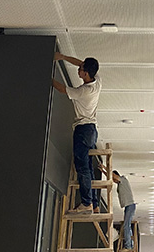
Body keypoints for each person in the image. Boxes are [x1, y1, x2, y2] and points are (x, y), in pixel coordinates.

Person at [52, 52, 101, 214]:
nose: (78, 70)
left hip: (83, 130)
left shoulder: (83, 91)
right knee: (88, 167)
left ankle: (87, 203)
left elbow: (62, 89)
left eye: (80, 69)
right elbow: (81, 63)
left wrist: (46, 76)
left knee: (83, 168)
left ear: (86, 74)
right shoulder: (96, 80)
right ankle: (93, 203)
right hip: (91, 130)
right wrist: (63, 57)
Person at [112, 170, 136, 251]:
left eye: (113, 179)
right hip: (128, 206)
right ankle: (130, 244)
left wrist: (105, 168)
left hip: (130, 206)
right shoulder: (120, 183)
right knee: (127, 226)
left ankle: (128, 246)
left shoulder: (123, 179)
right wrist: (104, 171)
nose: (113, 180)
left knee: (126, 226)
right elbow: (113, 177)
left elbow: (114, 176)